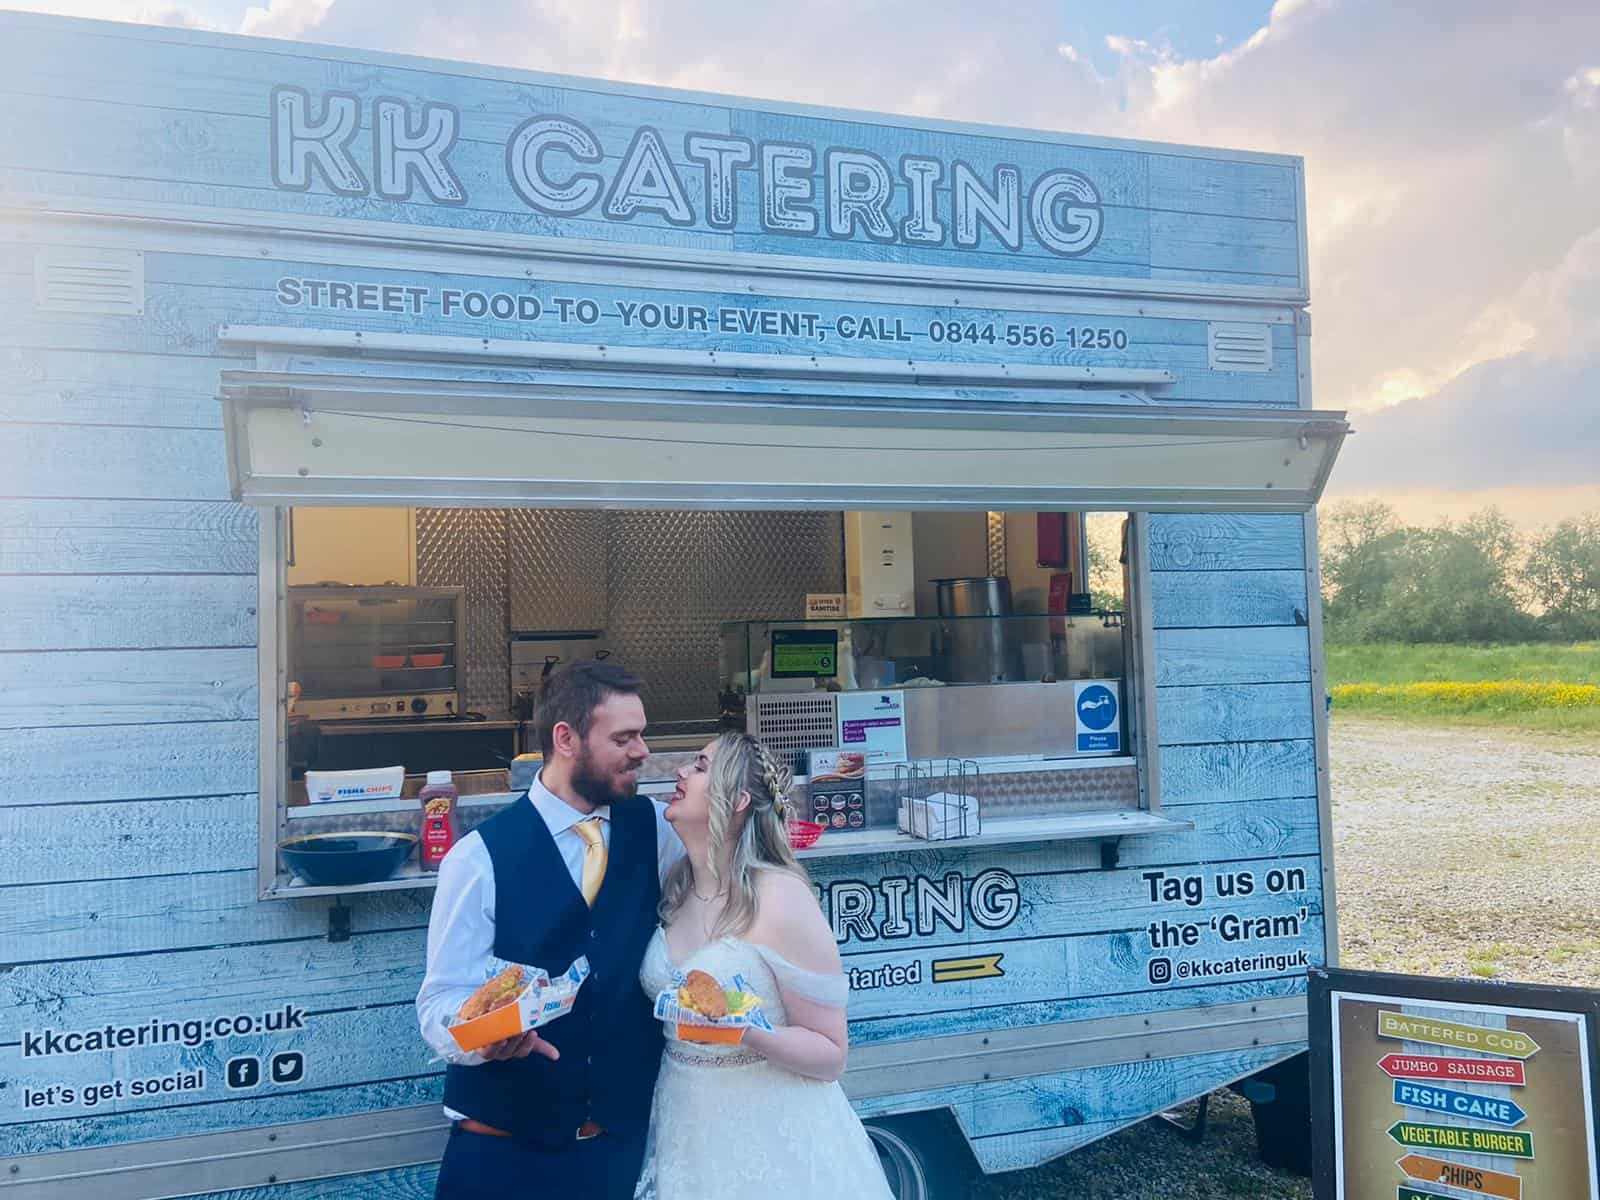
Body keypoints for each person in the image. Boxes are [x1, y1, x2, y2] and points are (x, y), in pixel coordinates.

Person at [417, 660, 685, 1200]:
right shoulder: (477, 858)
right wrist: (486, 1038)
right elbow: (440, 1005)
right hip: (503, 1156)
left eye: (642, 735)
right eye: (624, 738)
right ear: (566, 738)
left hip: (614, 1153)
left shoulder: (655, 828)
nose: (642, 752)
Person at [638, 732, 894, 1200]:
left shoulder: (779, 897)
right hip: (686, 1127)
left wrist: (745, 1032)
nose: (679, 773)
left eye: (698, 767)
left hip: (771, 1134)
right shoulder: (673, 888)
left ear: (735, 801)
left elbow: (831, 1053)